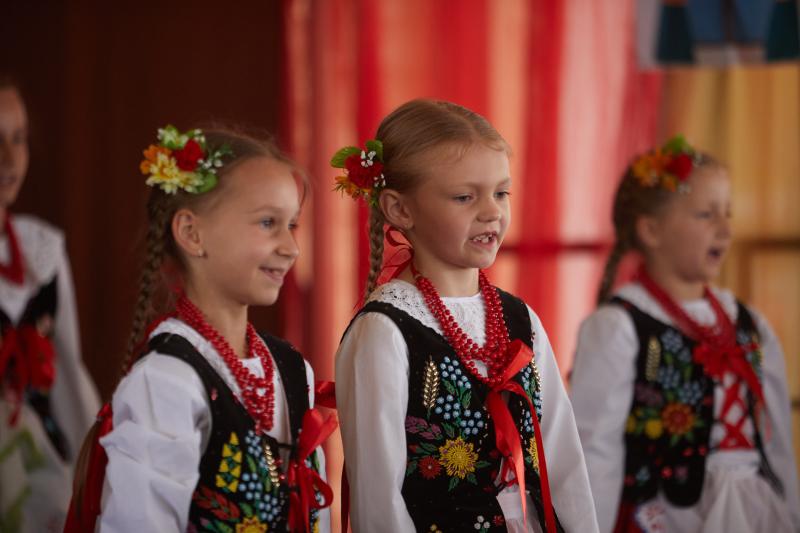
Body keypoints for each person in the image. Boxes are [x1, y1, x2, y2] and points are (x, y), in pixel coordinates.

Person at [333, 99, 598, 532]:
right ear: (400, 209)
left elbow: (563, 457)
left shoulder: (520, 318)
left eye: (501, 192)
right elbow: (378, 500)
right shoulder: (385, 331)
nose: (492, 211)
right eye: (464, 197)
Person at [75, 125, 334, 532]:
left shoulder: (291, 369)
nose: (291, 248)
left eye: (293, 225)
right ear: (192, 234)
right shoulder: (166, 381)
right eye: (268, 222)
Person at [570, 136, 800, 532]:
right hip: (667, 516)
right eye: (706, 215)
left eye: (728, 213)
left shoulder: (749, 324)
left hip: (755, 511)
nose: (725, 229)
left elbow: (777, 439)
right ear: (651, 230)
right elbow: (595, 450)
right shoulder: (620, 327)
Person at [0, 76, 100, 532]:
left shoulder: (42, 250)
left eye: (18, 139)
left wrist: (92, 475)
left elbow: (67, 374)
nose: (9, 159)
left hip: (40, 461)